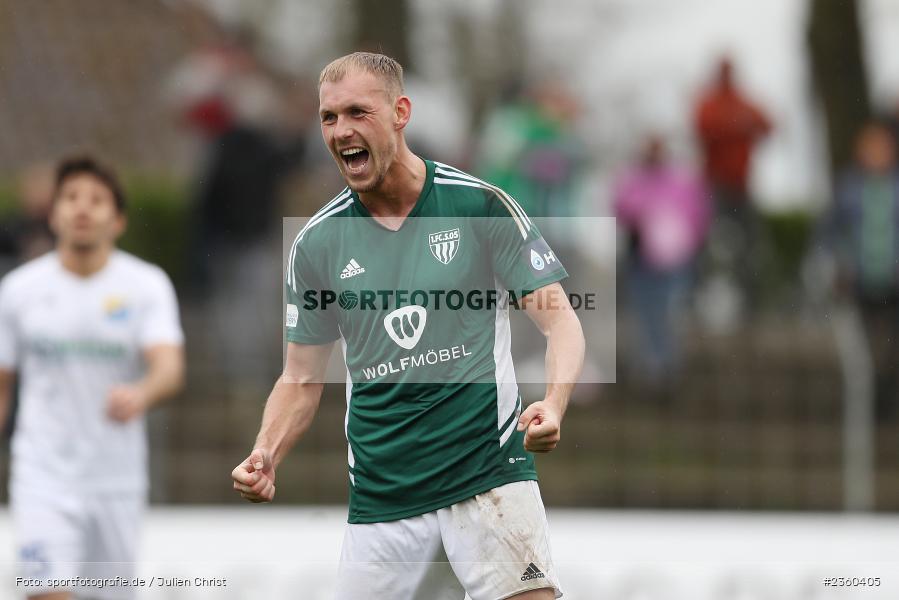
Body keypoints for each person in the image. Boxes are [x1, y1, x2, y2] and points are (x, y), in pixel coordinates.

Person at [231, 52, 585, 600]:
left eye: (357, 112)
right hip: (383, 494)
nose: (341, 130)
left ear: (400, 112)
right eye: (329, 118)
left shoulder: (479, 206)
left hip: (487, 472)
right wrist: (266, 451)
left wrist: (555, 403)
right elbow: (300, 379)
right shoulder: (317, 244)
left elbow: (560, 322)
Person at [0, 156, 186, 600]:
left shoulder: (145, 285)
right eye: (71, 198)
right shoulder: (19, 290)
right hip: (41, 473)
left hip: (115, 478)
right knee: (46, 592)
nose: (82, 209)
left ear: (117, 220)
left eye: (97, 200)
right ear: (53, 214)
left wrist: (141, 392)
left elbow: (169, 367)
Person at [614, 135, 710, 386]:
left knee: (668, 314)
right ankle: (650, 367)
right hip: (642, 260)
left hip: (674, 261)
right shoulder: (635, 180)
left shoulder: (680, 182)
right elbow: (623, 209)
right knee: (646, 314)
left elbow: (697, 218)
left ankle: (665, 367)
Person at [825, 120, 899, 421]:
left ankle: (886, 403)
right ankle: (870, 407)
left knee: (892, 347)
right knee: (866, 350)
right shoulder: (848, 188)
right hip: (861, 281)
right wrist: (838, 264)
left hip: (894, 283)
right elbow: (829, 233)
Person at [694, 57, 772, 310]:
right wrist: (737, 125)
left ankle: (752, 303)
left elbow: (768, 125)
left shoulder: (742, 101)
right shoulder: (710, 102)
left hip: (741, 186)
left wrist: (738, 125)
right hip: (715, 186)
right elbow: (704, 128)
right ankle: (696, 299)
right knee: (702, 243)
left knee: (752, 245)